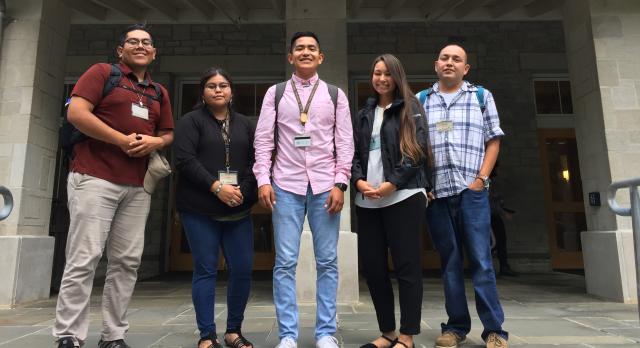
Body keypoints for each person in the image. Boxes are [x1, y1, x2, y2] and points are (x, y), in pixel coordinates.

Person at [53, 24, 174, 348]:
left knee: (126, 262)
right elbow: (77, 113)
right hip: (94, 178)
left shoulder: (158, 92)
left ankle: (114, 335)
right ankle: (69, 334)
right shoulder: (102, 73)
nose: (139, 46)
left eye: (146, 42)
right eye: (132, 41)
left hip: (136, 187)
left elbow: (167, 134)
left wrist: (153, 141)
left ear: (153, 53)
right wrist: (120, 140)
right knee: (84, 258)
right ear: (121, 50)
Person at [253, 31, 354, 348]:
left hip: (326, 186)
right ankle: (288, 335)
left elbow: (345, 144)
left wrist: (341, 183)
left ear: (321, 57)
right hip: (285, 185)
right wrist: (263, 179)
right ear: (291, 57)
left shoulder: (336, 95)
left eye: (312, 48)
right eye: (300, 48)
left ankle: (325, 332)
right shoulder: (276, 93)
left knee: (327, 261)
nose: (306, 52)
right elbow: (263, 141)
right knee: (284, 263)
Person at [420, 44, 508, 348]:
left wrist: (480, 179)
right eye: (444, 58)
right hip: (437, 195)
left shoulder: (481, 97)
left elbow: (493, 140)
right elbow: (415, 147)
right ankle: (455, 328)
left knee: (482, 262)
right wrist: (424, 184)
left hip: (472, 193)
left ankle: (495, 330)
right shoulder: (421, 100)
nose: (450, 63)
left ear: (465, 68)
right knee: (450, 263)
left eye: (456, 59)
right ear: (436, 64)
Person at [174, 67, 257, 348]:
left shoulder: (245, 124)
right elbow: (185, 160)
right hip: (199, 208)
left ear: (231, 91)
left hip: (238, 208)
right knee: (206, 269)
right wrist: (217, 187)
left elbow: (256, 163)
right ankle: (207, 335)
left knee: (243, 269)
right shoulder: (190, 121)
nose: (218, 90)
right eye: (211, 86)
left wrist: (242, 192)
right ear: (203, 92)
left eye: (223, 85)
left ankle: (234, 331)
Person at [351, 54, 430, 348]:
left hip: (404, 196)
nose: (381, 79)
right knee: (373, 268)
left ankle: (407, 336)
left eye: (387, 74)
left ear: (397, 76)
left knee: (407, 266)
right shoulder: (364, 113)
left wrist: (391, 183)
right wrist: (357, 180)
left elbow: (417, 150)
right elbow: (353, 154)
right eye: (376, 73)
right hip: (367, 200)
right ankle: (388, 332)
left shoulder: (412, 108)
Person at [489, 163, 517, 277]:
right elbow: (490, 202)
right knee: (493, 242)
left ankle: (504, 266)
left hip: (495, 216)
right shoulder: (488, 182)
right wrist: (503, 212)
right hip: (490, 216)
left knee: (500, 241)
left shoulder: (495, 182)